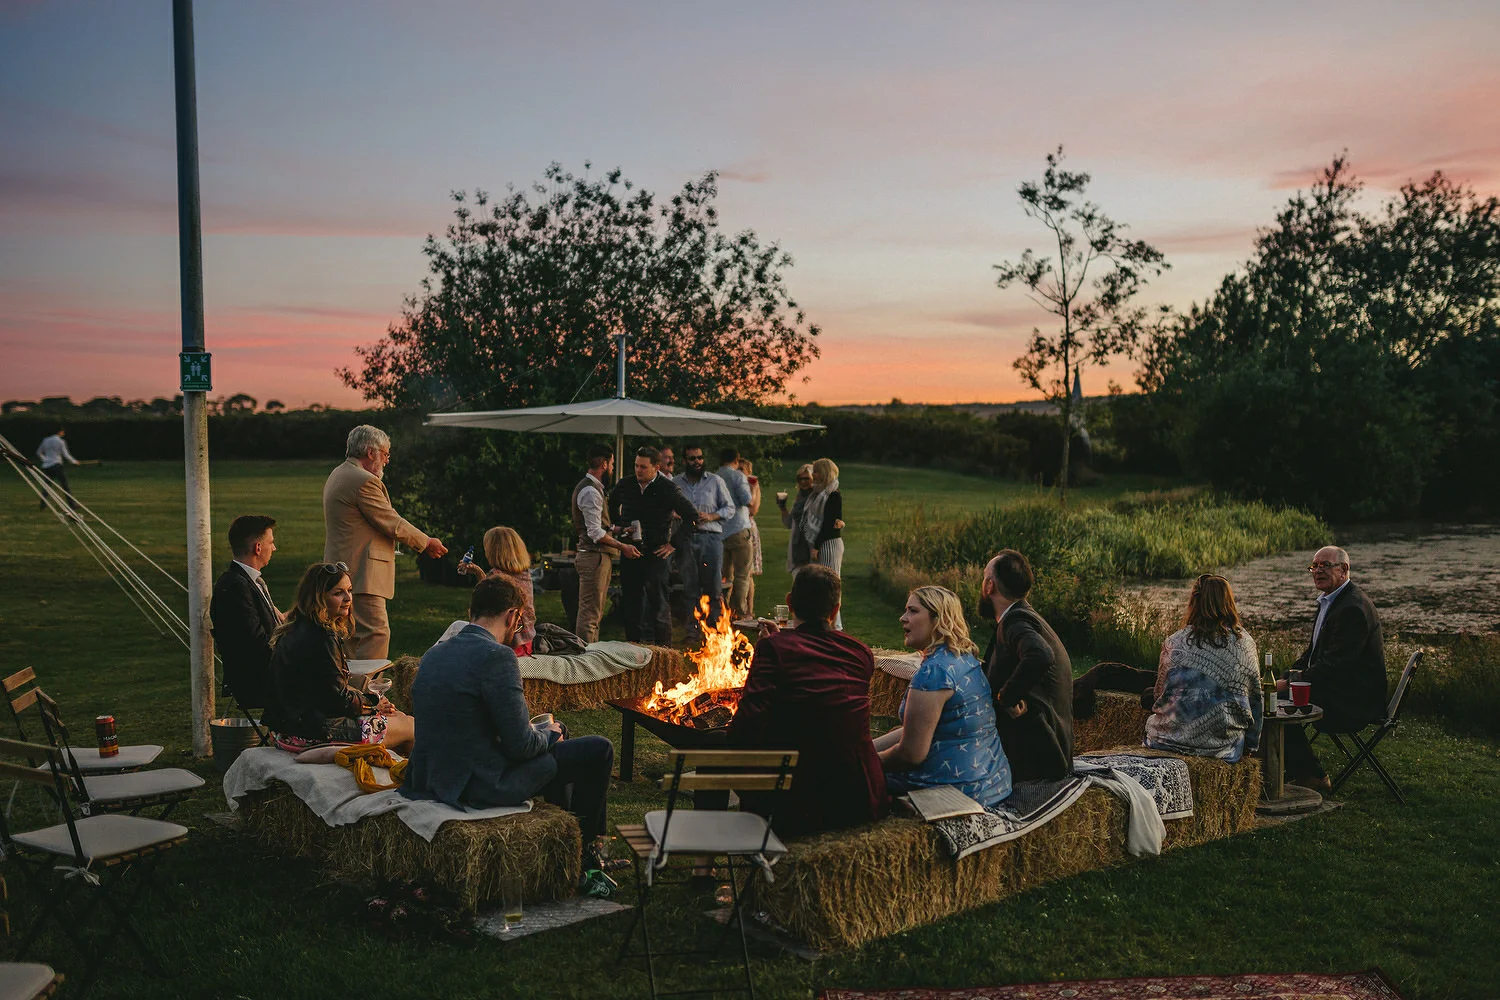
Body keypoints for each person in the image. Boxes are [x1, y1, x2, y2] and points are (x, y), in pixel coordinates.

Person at [401, 576, 615, 868]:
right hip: (480, 784)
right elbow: (521, 747)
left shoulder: (433, 654)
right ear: (513, 615)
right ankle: (588, 852)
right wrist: (550, 734)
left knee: (557, 732)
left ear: (471, 612)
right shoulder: (497, 657)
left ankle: (564, 843)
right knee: (598, 749)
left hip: (435, 776)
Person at [728, 565, 888, 837]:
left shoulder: (774, 649)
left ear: (790, 602)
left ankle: (704, 870)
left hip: (801, 797)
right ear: (835, 610)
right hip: (858, 791)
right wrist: (780, 642)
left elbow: (750, 718)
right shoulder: (860, 652)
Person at [876, 586, 1011, 806]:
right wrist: (866, 750)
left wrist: (863, 763)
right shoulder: (965, 659)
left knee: (843, 782)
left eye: (913, 611)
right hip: (993, 783)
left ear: (938, 619)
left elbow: (911, 754)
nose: (903, 618)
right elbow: (920, 730)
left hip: (956, 792)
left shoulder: (934, 672)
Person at [323, 425, 447, 658]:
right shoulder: (364, 481)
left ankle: (348, 690)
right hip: (362, 573)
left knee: (350, 637)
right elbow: (390, 521)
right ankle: (370, 692)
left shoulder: (338, 473)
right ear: (371, 452)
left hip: (344, 570)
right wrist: (426, 542)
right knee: (375, 634)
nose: (387, 460)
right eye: (385, 454)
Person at [267, 561, 414, 753]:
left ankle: (396, 775)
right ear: (318, 598)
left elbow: (326, 688)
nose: (348, 599)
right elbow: (338, 701)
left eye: (350, 591)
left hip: (283, 729)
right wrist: (373, 704)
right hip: (311, 734)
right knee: (412, 726)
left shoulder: (293, 628)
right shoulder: (323, 636)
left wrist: (368, 702)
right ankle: (411, 780)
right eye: (338, 593)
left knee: (399, 718)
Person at [1279, 546, 1387, 793]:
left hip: (1353, 700)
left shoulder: (1352, 608)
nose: (1317, 571)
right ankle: (1285, 768)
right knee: (1272, 696)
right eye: (1314, 566)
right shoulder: (1332, 600)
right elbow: (1313, 655)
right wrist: (1286, 676)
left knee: (1274, 704)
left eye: (1324, 565)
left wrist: (1287, 685)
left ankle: (1312, 775)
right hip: (1340, 689)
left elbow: (1334, 667)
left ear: (1344, 569)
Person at [1143, 575, 1264, 762]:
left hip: (1165, 742)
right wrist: (1252, 744)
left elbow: (1160, 695)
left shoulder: (1173, 642)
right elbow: (1255, 699)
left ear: (1194, 602)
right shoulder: (1245, 644)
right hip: (1221, 747)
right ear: (1229, 602)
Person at [980, 549, 1074, 781]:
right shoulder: (1025, 616)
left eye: (984, 578)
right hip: (1050, 749)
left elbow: (1040, 655)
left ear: (990, 586)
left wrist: (1008, 696)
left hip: (1042, 759)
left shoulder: (1016, 622)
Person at [608, 446, 701, 645]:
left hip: (656, 553)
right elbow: (611, 503)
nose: (638, 470)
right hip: (631, 551)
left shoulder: (667, 488)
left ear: (656, 467)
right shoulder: (626, 484)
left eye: (643, 467)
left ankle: (664, 652)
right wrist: (619, 526)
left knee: (658, 604)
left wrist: (673, 544)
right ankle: (632, 650)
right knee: (632, 604)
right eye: (636, 466)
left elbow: (692, 516)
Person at [210, 515, 283, 720]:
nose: (274, 548)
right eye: (271, 542)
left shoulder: (250, 582)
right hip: (258, 681)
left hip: (272, 672)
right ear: (258, 548)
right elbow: (255, 644)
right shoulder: (235, 587)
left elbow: (271, 626)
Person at [569, 445, 640, 643]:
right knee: (590, 615)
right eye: (612, 465)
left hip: (597, 556)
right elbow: (595, 533)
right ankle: (587, 661)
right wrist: (622, 546)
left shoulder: (593, 489)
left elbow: (597, 526)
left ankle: (589, 657)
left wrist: (619, 530)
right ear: (604, 463)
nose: (612, 469)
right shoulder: (590, 491)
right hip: (594, 557)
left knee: (594, 612)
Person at [672, 444, 735, 636]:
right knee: (690, 585)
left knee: (713, 585)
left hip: (710, 537)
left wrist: (711, 516)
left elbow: (729, 508)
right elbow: (667, 508)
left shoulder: (715, 481)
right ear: (684, 461)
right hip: (687, 537)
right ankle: (693, 629)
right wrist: (677, 514)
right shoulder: (676, 483)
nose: (697, 462)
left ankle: (716, 629)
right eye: (692, 459)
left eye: (699, 458)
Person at [458, 526, 540, 656]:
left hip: (507, 645)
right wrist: (479, 573)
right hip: (526, 642)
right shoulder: (523, 574)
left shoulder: (497, 575)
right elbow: (496, 594)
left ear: (494, 551)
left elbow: (483, 606)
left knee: (457, 630)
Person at [803, 458, 846, 628]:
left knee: (831, 583)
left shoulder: (832, 495)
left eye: (816, 471)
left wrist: (816, 545)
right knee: (821, 584)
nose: (813, 475)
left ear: (824, 473)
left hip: (829, 544)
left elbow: (829, 523)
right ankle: (824, 622)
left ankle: (836, 625)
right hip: (822, 542)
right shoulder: (816, 494)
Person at [717, 447, 756, 620]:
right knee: (742, 574)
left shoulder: (714, 477)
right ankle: (739, 611)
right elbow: (746, 501)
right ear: (737, 460)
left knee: (725, 575)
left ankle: (722, 610)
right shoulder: (738, 476)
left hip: (720, 530)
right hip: (739, 529)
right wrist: (753, 490)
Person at [776, 463, 815, 574]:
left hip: (809, 542)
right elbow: (788, 523)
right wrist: (782, 507)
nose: (803, 481)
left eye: (806, 478)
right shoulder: (799, 497)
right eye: (800, 478)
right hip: (797, 543)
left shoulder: (816, 496)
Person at [739, 457, 765, 613]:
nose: (739, 472)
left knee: (748, 572)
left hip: (748, 527)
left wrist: (753, 490)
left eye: (742, 470)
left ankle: (749, 610)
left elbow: (753, 510)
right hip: (733, 529)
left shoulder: (752, 485)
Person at [35, 426, 82, 511]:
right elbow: (65, 454)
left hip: (46, 466)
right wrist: (74, 461)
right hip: (56, 465)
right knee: (65, 486)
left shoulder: (45, 440)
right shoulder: (61, 441)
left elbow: (38, 453)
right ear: (59, 432)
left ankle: (43, 505)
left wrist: (45, 460)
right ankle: (72, 505)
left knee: (46, 486)